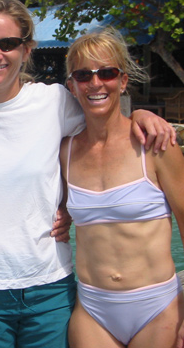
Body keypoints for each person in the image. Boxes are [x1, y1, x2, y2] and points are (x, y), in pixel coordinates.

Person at [0, 0, 177, 348]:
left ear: (27, 50)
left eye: (8, 43)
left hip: (50, 291)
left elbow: (103, 115)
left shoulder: (55, 101)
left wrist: (142, 117)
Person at [61, 27, 184, 348]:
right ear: (72, 85)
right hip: (92, 308)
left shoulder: (156, 144)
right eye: (84, 75)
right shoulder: (65, 151)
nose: (96, 83)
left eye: (108, 72)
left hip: (156, 307)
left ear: (124, 80)